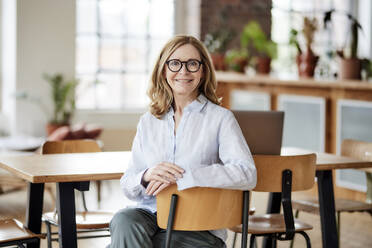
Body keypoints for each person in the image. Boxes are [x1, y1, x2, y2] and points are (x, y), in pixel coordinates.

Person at [109, 35, 256, 248]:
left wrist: (186, 175)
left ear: (203, 70)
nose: (183, 71)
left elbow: (247, 173)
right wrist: (146, 175)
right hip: (151, 215)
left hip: (200, 226)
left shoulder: (220, 118)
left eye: (192, 64)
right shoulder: (149, 121)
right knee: (124, 221)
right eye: (175, 63)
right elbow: (128, 185)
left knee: (137, 243)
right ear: (164, 70)